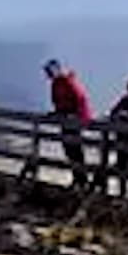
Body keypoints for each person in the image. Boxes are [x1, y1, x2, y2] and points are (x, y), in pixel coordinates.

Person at [44, 58, 93, 190]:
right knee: (69, 150)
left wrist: (77, 115)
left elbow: (80, 99)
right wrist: (57, 112)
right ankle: (78, 179)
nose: (48, 74)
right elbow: (57, 101)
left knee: (75, 150)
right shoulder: (55, 84)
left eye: (49, 71)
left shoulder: (67, 82)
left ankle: (82, 180)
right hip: (65, 120)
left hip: (75, 120)